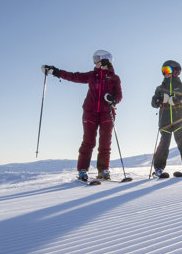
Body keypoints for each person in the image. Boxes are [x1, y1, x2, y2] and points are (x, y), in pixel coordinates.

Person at [41, 49, 122, 181]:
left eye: (97, 59)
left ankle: (103, 170)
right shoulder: (92, 75)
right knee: (88, 142)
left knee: (105, 143)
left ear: (105, 61)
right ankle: (82, 170)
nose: (94, 62)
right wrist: (55, 71)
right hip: (90, 113)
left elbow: (119, 96)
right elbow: (74, 76)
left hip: (107, 114)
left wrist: (113, 99)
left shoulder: (114, 78)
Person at [151, 60, 182, 177]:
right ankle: (158, 168)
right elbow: (153, 103)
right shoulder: (160, 88)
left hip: (179, 119)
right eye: (163, 71)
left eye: (168, 70)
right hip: (165, 121)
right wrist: (158, 100)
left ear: (176, 72)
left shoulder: (181, 87)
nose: (165, 73)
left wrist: (178, 101)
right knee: (163, 145)